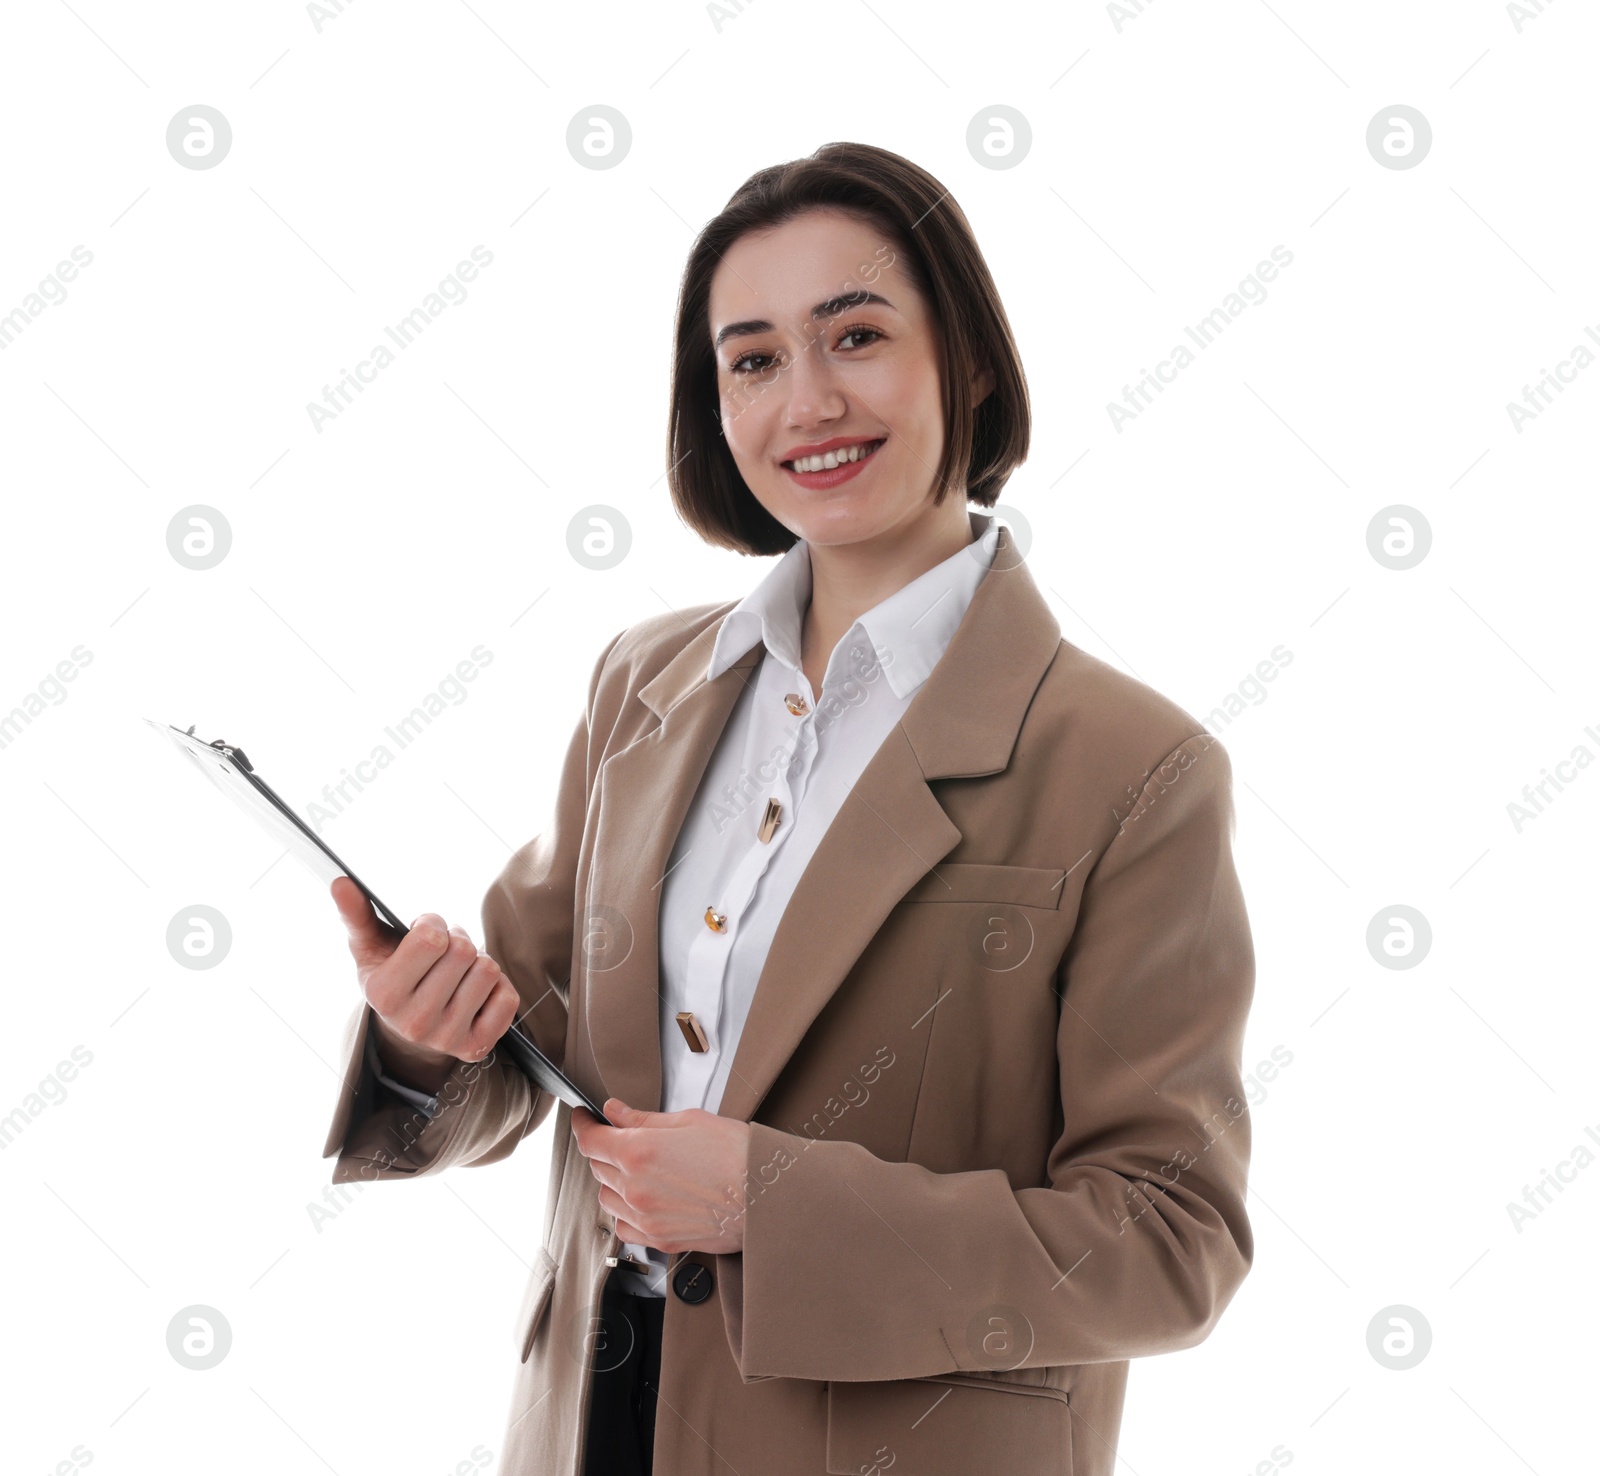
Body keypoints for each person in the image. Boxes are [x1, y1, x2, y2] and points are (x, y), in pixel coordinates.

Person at [325, 141, 1255, 1476]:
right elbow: (538, 1046)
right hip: (594, 1422)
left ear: (970, 364)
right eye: (752, 359)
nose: (806, 403)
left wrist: (775, 1204)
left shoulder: (1134, 766)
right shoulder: (644, 681)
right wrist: (428, 1042)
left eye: (857, 336)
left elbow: (1173, 1244)